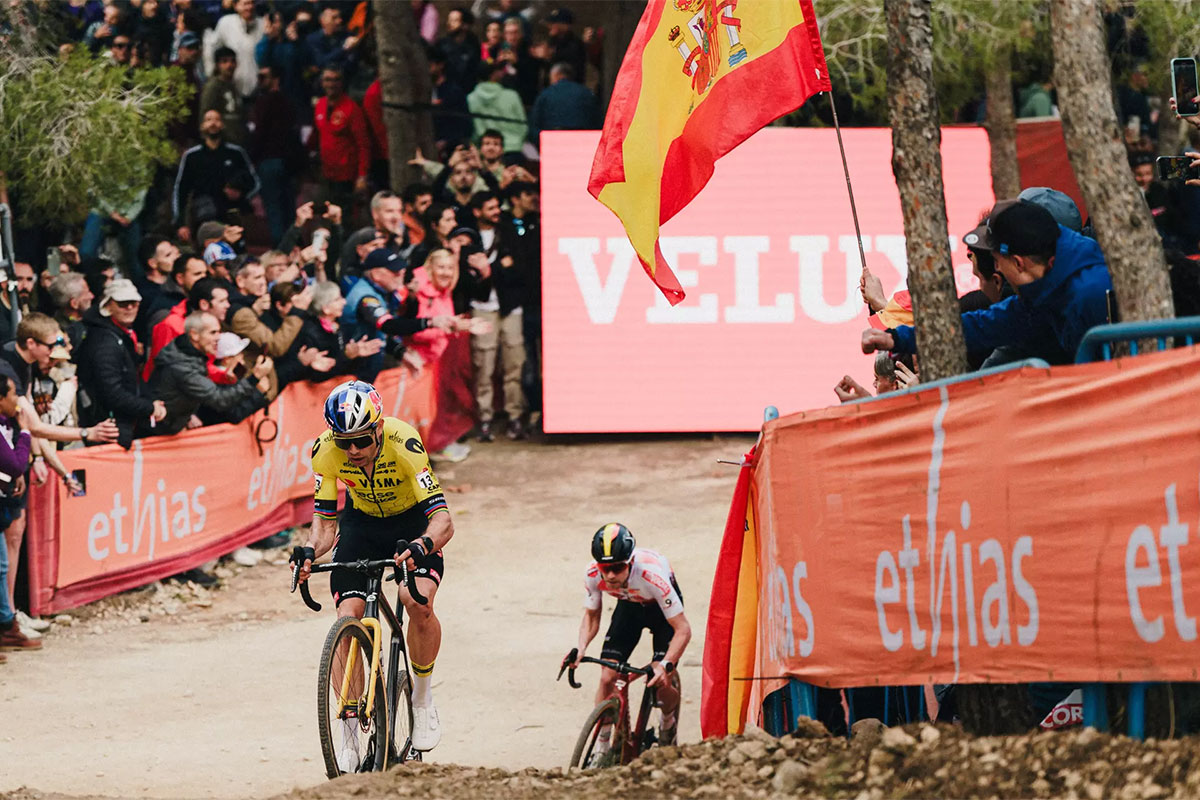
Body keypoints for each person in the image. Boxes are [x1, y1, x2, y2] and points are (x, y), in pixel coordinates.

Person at [291, 380, 456, 762]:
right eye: (344, 441)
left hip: (412, 525)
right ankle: (349, 729)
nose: (352, 451)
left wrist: (423, 545)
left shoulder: (405, 443)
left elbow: (443, 520)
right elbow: (326, 526)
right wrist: (308, 553)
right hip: (363, 526)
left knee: (414, 600)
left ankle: (421, 697)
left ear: (378, 429)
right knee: (346, 615)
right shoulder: (324, 453)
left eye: (362, 440)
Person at [863, 199, 1113, 366]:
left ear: (1018, 264)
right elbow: (980, 325)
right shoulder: (1045, 285)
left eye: (996, 260)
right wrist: (896, 338)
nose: (995, 270)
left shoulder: (1091, 293)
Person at [565, 523, 690, 749]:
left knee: (659, 683)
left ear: (630, 562)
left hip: (661, 612)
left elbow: (683, 629)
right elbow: (592, 616)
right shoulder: (593, 574)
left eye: (618, 567)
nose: (610, 575)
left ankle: (668, 722)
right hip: (629, 606)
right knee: (606, 677)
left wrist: (666, 665)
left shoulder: (652, 576)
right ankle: (602, 748)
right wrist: (581, 648)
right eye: (606, 568)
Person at [75, 280, 166, 449]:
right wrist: (148, 407)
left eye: (134, 303)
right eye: (123, 304)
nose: (130, 308)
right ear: (107, 306)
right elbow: (112, 393)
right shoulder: (105, 343)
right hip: (108, 430)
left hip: (119, 424)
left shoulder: (120, 334)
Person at [150, 311, 271, 435]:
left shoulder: (189, 354)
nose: (218, 337)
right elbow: (219, 399)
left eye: (219, 331)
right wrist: (255, 379)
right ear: (194, 335)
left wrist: (223, 376)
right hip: (161, 432)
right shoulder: (182, 367)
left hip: (172, 427)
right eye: (213, 332)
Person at [172, 110, 260, 243]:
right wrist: (180, 223)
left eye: (217, 119)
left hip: (233, 216)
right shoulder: (191, 156)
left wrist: (240, 194)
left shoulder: (236, 153)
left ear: (222, 124)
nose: (213, 123)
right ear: (202, 126)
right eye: (208, 120)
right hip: (203, 217)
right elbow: (181, 190)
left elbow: (254, 182)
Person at [311, 66, 371, 217]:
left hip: (346, 175)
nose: (331, 84)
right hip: (326, 172)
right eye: (328, 80)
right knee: (323, 214)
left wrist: (362, 175)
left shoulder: (352, 108)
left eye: (336, 80)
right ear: (322, 83)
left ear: (342, 83)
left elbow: (363, 144)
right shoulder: (320, 105)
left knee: (344, 217)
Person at [202, 0, 264, 99]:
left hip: (259, 90)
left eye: (251, 3)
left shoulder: (263, 24)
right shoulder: (226, 23)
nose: (249, 7)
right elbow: (211, 47)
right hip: (231, 88)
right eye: (245, 4)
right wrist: (210, 73)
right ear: (236, 6)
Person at [528, 62, 600, 146]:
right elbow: (597, 120)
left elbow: (535, 124)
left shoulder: (546, 94)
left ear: (557, 75)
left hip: (553, 142)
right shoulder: (586, 93)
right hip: (583, 142)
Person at [199, 47, 248, 146]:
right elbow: (205, 115)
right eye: (224, 61)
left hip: (237, 143)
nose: (229, 65)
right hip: (220, 143)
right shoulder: (213, 86)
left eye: (232, 61)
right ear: (217, 65)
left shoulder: (233, 86)